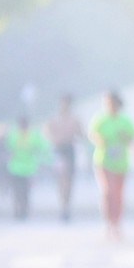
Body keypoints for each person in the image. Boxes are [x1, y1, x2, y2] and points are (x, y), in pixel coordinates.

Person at [92, 91, 134, 239]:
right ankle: (107, 223)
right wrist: (100, 139)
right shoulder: (100, 120)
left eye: (112, 103)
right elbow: (93, 134)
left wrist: (124, 137)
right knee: (107, 192)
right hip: (103, 161)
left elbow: (132, 137)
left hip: (120, 163)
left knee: (117, 194)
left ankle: (116, 223)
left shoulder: (125, 121)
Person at [49, 95, 85, 225]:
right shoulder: (54, 119)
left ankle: (66, 206)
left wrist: (74, 133)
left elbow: (81, 134)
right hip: (59, 151)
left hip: (69, 150)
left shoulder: (74, 120)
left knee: (68, 180)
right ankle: (63, 206)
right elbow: (48, 134)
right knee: (61, 180)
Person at [6, 111, 48, 221]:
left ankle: (23, 210)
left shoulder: (33, 135)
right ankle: (17, 210)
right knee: (17, 191)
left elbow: (40, 147)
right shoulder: (14, 135)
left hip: (28, 168)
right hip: (15, 167)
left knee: (25, 191)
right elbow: (8, 149)